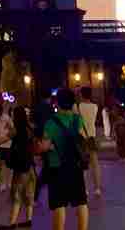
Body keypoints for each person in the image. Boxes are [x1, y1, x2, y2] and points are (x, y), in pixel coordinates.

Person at [42, 90, 90, 230]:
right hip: (75, 165)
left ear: (57, 102)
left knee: (59, 204)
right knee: (81, 202)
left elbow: (44, 146)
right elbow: (83, 139)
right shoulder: (77, 119)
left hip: (57, 166)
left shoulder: (51, 122)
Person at [4, 104, 38, 230]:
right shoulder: (30, 128)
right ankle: (29, 220)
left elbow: (3, 139)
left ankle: (12, 223)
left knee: (17, 195)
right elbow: (34, 145)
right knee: (29, 193)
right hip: (30, 165)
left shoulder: (16, 129)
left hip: (20, 166)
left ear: (16, 116)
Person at [75, 87, 105, 196]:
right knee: (95, 164)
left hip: (81, 137)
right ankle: (97, 188)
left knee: (82, 165)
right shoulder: (95, 106)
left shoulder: (77, 106)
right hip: (91, 136)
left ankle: (84, 189)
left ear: (81, 95)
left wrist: (75, 94)